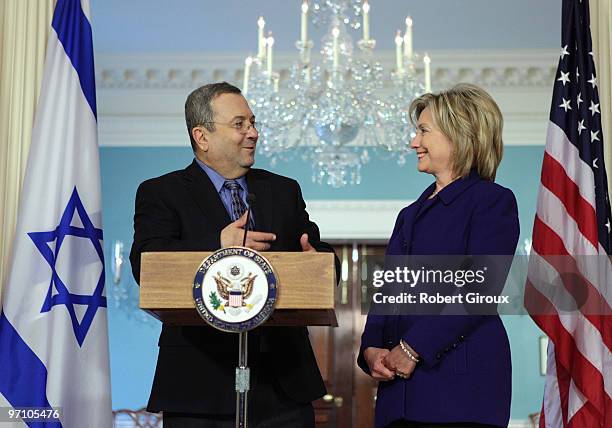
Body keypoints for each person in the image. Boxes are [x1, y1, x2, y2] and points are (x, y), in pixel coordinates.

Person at [130, 82, 338, 427]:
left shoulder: (283, 190)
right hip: (199, 384)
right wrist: (217, 245)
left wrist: (316, 263)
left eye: (253, 123)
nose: (253, 133)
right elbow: (148, 264)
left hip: (283, 387)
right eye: (239, 124)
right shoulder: (161, 192)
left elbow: (323, 256)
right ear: (202, 136)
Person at [357, 83, 520, 428]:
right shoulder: (409, 215)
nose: (414, 142)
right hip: (398, 395)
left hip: (460, 390)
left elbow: (480, 288)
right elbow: (388, 291)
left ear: (460, 135)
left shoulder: (491, 202)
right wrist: (371, 347)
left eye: (423, 131)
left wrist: (413, 347)